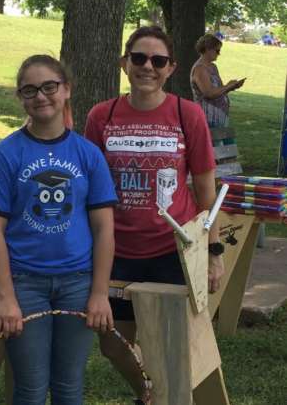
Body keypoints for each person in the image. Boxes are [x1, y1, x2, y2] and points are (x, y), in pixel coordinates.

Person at [85, 26, 224, 404]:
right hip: (117, 251)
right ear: (125, 63)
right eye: (139, 58)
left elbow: (207, 193)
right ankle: (150, 392)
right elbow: (90, 190)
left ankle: (162, 396)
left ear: (171, 68)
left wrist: (213, 253)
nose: (148, 66)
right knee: (114, 344)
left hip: (172, 251)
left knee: (173, 347)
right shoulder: (102, 116)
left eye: (158, 60)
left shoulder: (187, 114)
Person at [0, 54, 117, 405]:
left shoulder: (88, 155)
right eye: (30, 89)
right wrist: (6, 298)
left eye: (49, 86)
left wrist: (99, 292)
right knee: (30, 387)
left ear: (66, 90)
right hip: (25, 283)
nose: (40, 96)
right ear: (21, 97)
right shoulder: (6, 154)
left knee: (70, 386)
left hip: (78, 282)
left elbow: (103, 229)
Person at [190, 33, 245, 127]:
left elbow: (219, 90)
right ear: (208, 49)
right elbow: (209, 93)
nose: (219, 54)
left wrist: (231, 87)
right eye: (217, 50)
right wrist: (228, 86)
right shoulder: (200, 69)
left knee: (228, 142)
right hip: (208, 118)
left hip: (220, 117)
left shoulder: (213, 67)